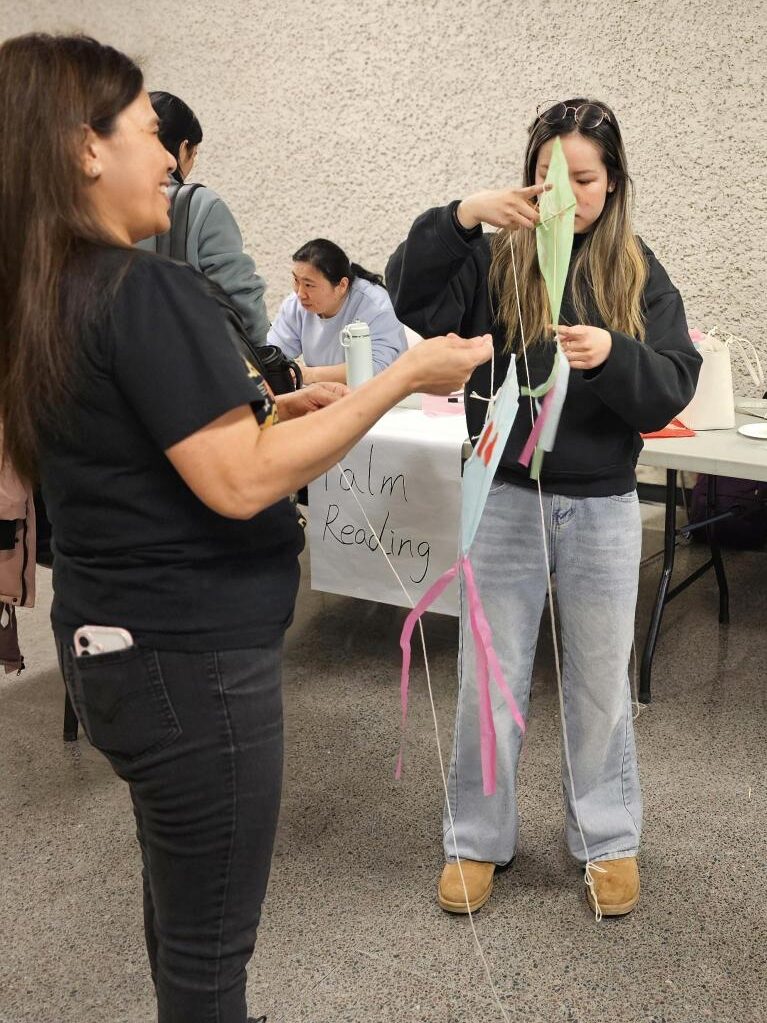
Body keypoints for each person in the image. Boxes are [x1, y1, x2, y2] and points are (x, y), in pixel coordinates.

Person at [0, 33, 492, 1023]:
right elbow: (237, 485)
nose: (171, 164)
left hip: (113, 647)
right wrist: (399, 377)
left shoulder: (47, 295)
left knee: (184, 909)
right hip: (190, 668)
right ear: (84, 148)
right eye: (149, 131)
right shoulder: (141, 289)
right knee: (210, 947)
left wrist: (272, 416)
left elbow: (158, 450)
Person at [387, 98, 701, 918]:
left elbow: (672, 380)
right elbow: (408, 295)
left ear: (613, 181)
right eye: (548, 175)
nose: (566, 193)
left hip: (598, 503)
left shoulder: (636, 267)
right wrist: (459, 217)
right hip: (501, 502)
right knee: (488, 679)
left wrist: (611, 355)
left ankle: (606, 838)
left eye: (585, 178)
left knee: (598, 682)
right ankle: (474, 838)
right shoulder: (493, 259)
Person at [136, 90, 271, 346]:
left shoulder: (107, 203)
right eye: (194, 153)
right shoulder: (198, 205)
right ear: (183, 147)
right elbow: (240, 297)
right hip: (191, 363)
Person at [268, 238, 407, 384]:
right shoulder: (296, 304)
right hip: (324, 397)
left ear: (342, 286)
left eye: (309, 285)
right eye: (296, 281)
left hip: (388, 399)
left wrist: (309, 375)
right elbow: (273, 355)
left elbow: (375, 369)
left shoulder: (377, 307)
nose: (300, 293)